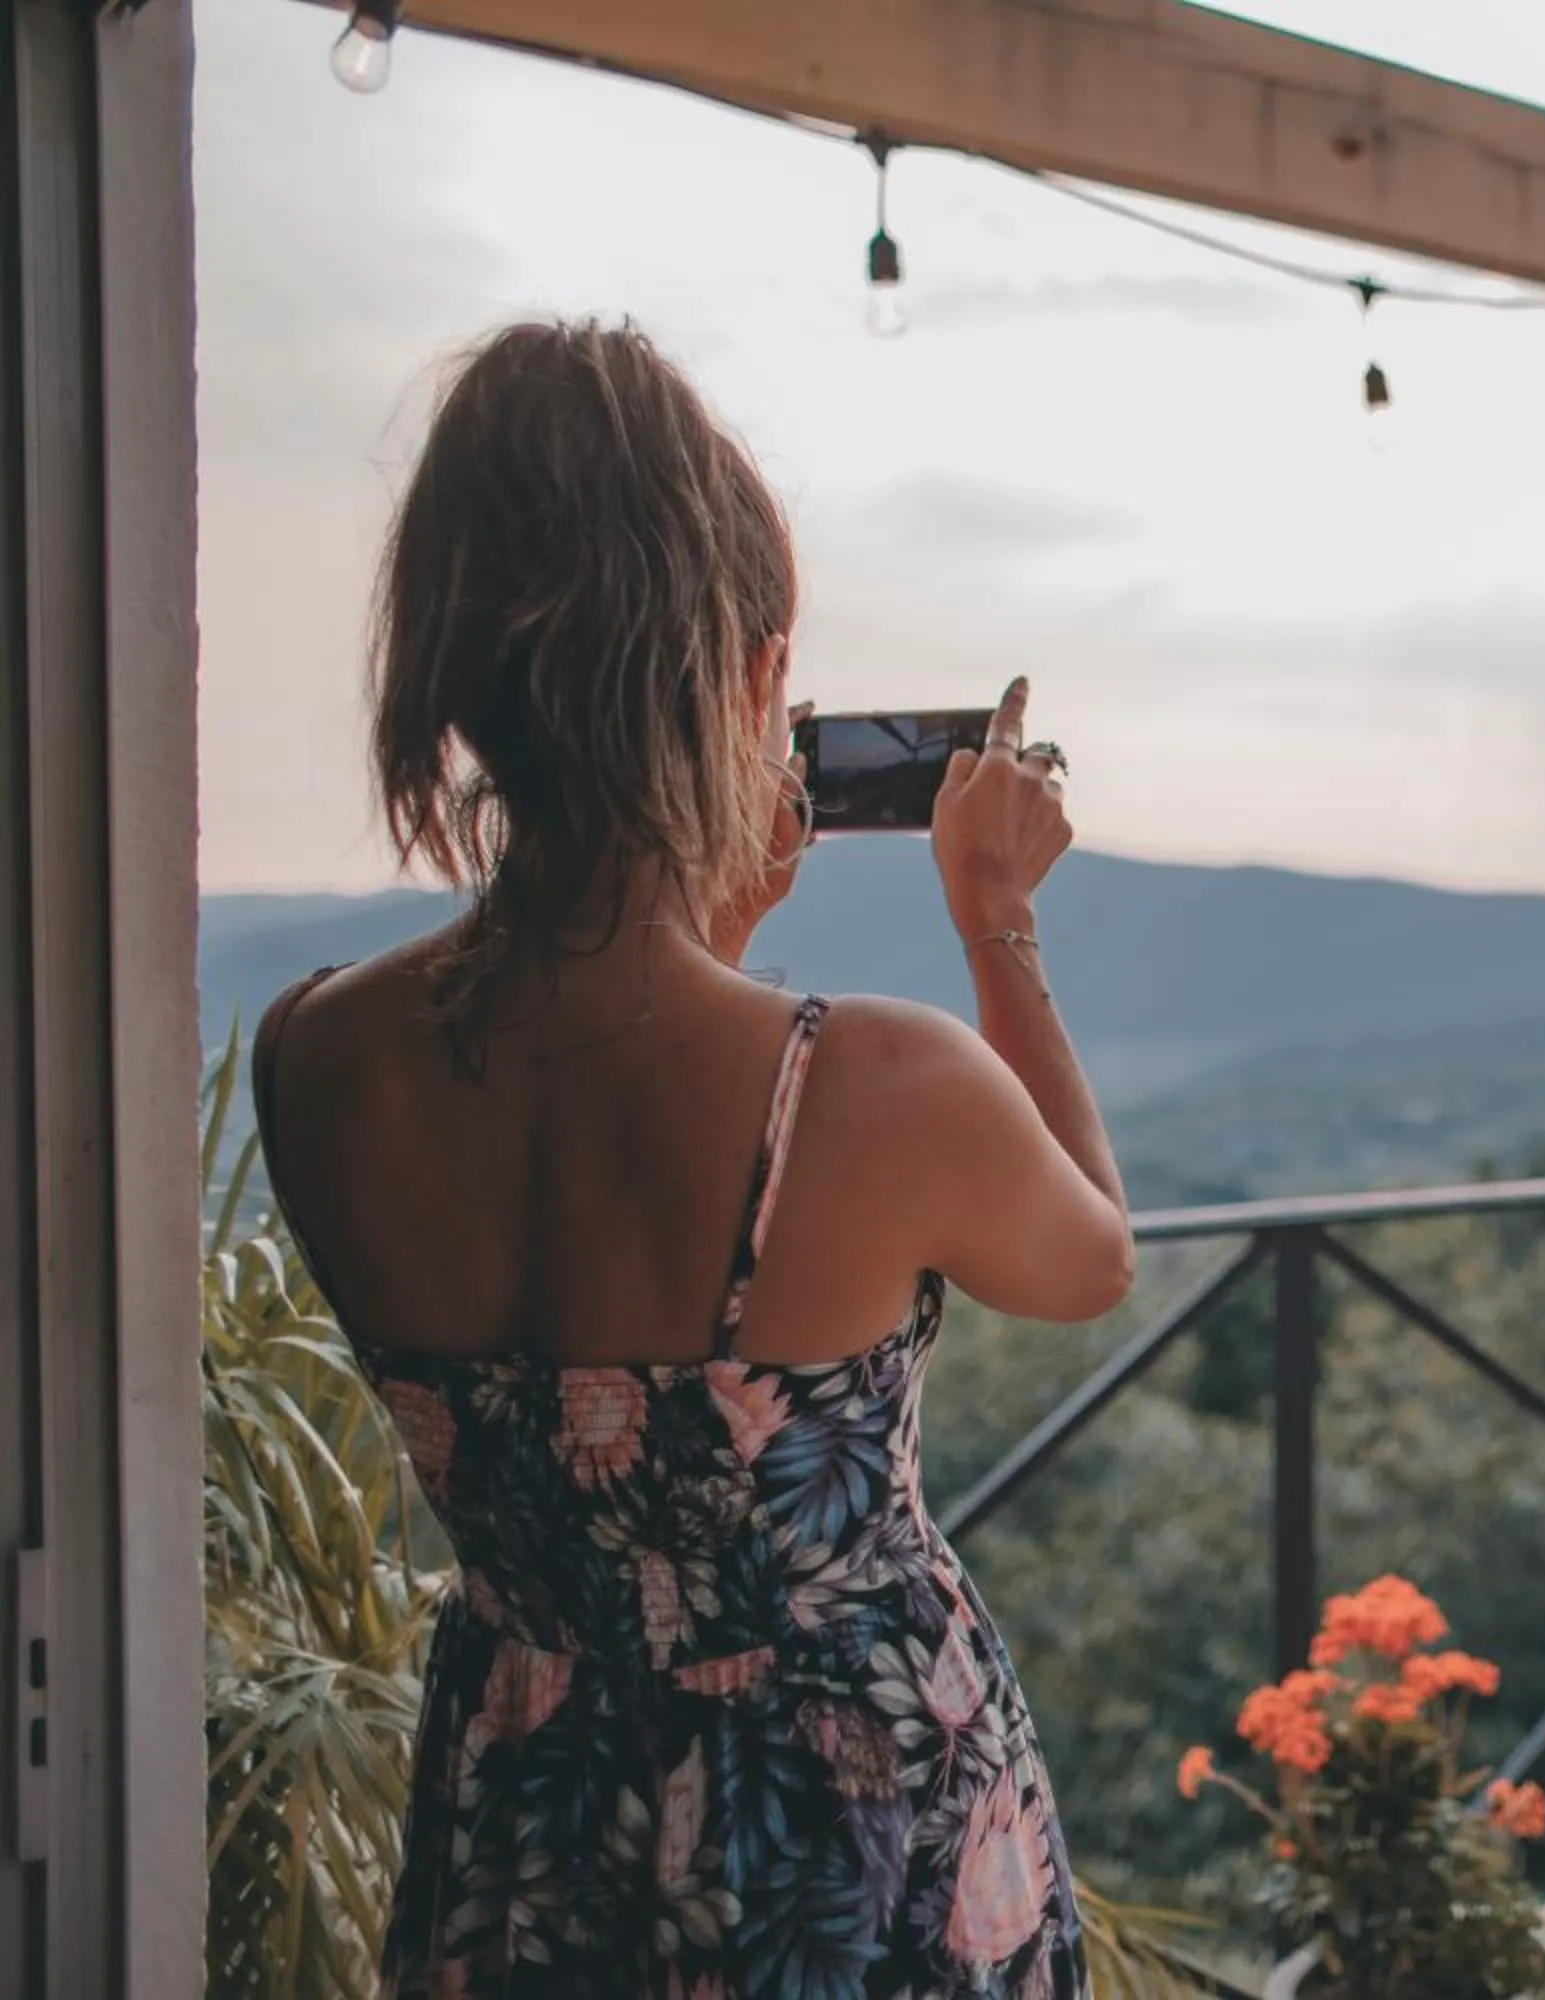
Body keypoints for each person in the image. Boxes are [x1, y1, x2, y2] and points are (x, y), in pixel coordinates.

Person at [251, 319, 1131, 2000]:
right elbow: (1091, 1258)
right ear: (741, 679)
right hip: (838, 1841)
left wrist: (708, 924)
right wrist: (996, 922)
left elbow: (581, 1155)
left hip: (529, 1818)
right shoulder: (869, 1084)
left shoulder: (315, 1057)